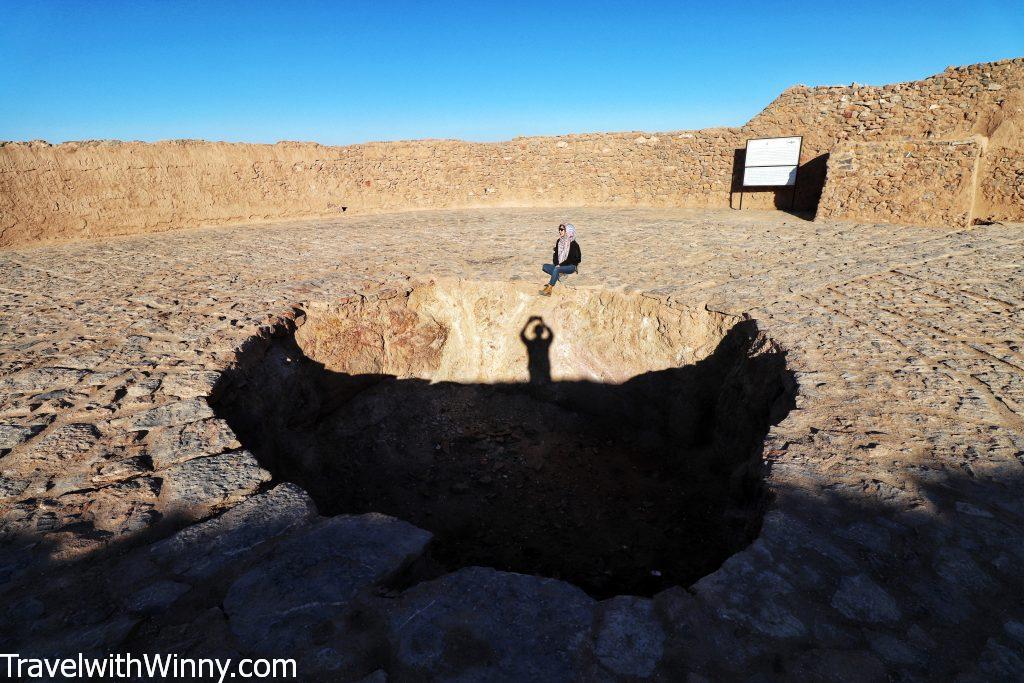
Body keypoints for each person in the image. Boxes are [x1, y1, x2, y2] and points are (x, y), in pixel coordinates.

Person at [540, 223, 581, 296]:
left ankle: (549, 289)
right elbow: (555, 255)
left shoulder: (574, 244)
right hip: (561, 265)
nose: (560, 231)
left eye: (562, 230)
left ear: (568, 231)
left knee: (556, 269)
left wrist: (560, 265)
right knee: (545, 267)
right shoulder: (559, 241)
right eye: (559, 229)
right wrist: (557, 264)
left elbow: (574, 259)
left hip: (571, 266)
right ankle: (558, 275)